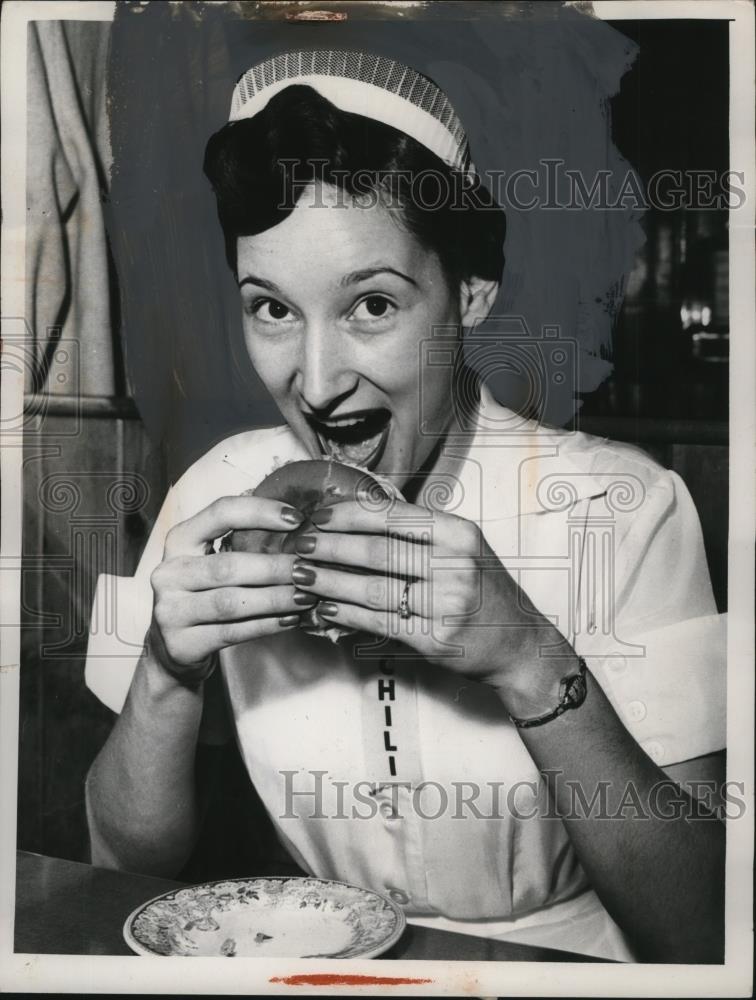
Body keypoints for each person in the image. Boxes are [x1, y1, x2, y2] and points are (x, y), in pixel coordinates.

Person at [84, 49, 726, 963]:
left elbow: (706, 930)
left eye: (372, 305)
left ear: (470, 294)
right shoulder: (217, 498)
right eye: (270, 308)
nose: (314, 383)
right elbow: (118, 861)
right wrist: (163, 672)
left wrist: (529, 660)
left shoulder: (626, 509)